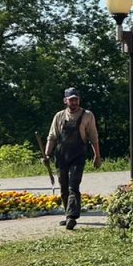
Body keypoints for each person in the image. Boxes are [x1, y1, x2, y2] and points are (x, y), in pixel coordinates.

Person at [44, 87, 101, 230]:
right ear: (65, 101)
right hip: (61, 155)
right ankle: (68, 213)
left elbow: (93, 137)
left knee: (73, 185)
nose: (74, 102)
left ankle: (72, 217)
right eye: (71, 100)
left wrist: (97, 156)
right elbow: (52, 137)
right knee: (63, 187)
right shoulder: (59, 116)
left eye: (76, 99)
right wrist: (46, 154)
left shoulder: (87, 115)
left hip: (78, 154)